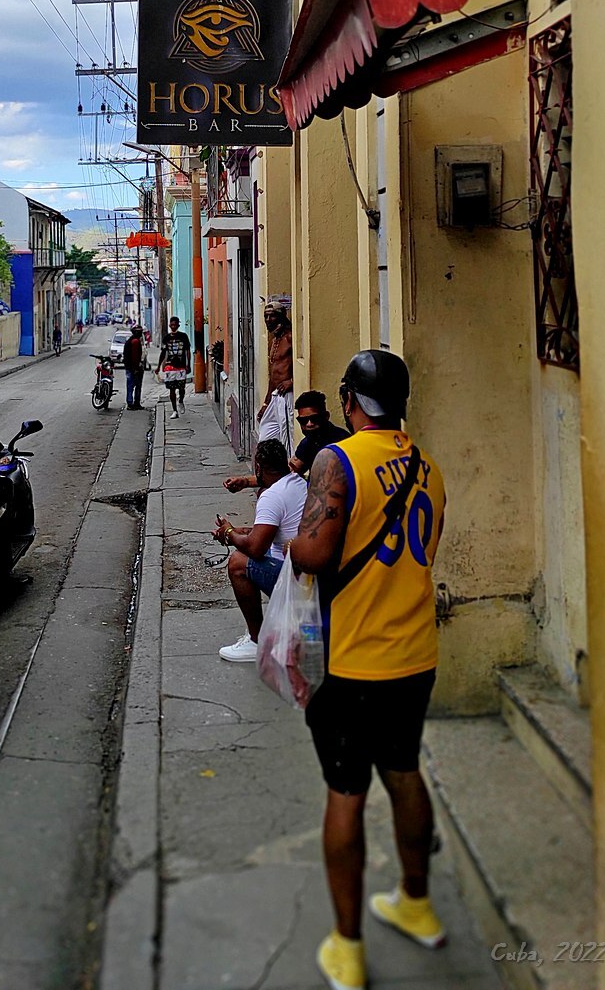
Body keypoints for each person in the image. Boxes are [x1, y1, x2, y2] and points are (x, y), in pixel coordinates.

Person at [287, 350, 447, 990]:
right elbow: (423, 552)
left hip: (357, 662)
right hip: (417, 655)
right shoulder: (428, 468)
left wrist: (283, 541)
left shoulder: (339, 459)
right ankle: (416, 903)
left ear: (350, 400)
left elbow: (318, 553)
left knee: (346, 794)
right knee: (404, 771)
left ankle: (348, 949)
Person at [212, 439, 307, 662]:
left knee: (237, 562)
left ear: (258, 468)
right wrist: (235, 532)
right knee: (243, 550)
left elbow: (255, 548)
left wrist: (229, 534)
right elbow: (263, 533)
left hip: (296, 583)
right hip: (307, 574)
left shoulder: (272, 496)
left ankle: (257, 642)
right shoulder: (298, 483)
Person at [258, 302, 295, 453]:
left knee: (287, 440)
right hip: (275, 397)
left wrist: (291, 382)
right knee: (265, 438)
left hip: (287, 396)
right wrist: (266, 404)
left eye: (272, 316)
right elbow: (273, 376)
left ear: (280, 317)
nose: (268, 319)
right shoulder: (274, 341)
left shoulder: (290, 337)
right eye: (266, 316)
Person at [288, 390, 350, 476]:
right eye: (303, 421)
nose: (309, 424)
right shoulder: (307, 443)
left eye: (314, 418)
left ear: (326, 416)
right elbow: (294, 469)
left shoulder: (342, 442)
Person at [157, 316, 192, 419]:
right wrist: (159, 366)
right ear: (169, 325)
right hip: (170, 367)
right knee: (171, 389)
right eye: (171, 325)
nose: (173, 326)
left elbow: (187, 351)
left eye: (175, 325)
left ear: (178, 325)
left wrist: (188, 364)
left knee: (181, 388)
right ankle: (174, 410)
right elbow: (163, 353)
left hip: (181, 366)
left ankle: (180, 400)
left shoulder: (183, 336)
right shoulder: (166, 338)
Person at [123, 324, 146, 410]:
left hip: (129, 367)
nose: (141, 334)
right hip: (134, 368)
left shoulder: (130, 341)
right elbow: (135, 357)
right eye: (140, 332)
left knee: (130, 386)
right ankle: (134, 403)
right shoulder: (135, 342)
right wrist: (136, 368)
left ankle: (131, 402)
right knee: (136, 386)